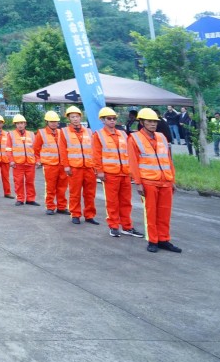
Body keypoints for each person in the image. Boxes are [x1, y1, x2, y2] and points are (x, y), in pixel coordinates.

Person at [127, 108, 181, 252]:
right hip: (148, 181)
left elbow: (168, 160)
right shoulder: (134, 138)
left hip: (165, 181)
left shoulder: (162, 137)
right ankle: (153, 240)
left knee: (165, 212)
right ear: (142, 122)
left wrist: (172, 180)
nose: (153, 124)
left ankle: (164, 239)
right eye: (150, 121)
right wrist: (138, 183)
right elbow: (133, 162)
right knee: (151, 212)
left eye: (155, 121)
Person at [92, 107, 143, 239]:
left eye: (114, 118)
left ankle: (127, 226)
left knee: (126, 202)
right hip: (110, 174)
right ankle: (114, 226)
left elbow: (129, 154)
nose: (112, 121)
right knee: (112, 202)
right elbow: (96, 155)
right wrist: (99, 171)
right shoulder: (98, 135)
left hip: (124, 173)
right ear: (103, 120)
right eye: (109, 118)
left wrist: (131, 171)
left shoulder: (123, 134)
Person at [59, 105, 97, 225]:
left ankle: (89, 215)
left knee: (90, 193)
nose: (75, 119)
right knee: (74, 193)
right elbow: (62, 150)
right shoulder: (64, 132)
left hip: (89, 167)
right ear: (69, 119)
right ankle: (75, 214)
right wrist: (66, 166)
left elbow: (94, 149)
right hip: (75, 168)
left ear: (81, 117)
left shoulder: (89, 131)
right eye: (72, 117)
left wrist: (95, 166)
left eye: (77, 116)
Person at [35, 111, 68, 215]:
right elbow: (36, 149)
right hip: (50, 165)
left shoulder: (62, 132)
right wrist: (38, 160)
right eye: (51, 121)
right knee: (50, 187)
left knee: (62, 187)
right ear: (47, 122)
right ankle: (50, 207)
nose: (54, 123)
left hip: (62, 164)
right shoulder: (41, 133)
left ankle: (61, 207)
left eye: (55, 121)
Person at [8, 115, 38, 206]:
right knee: (19, 182)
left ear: (25, 124)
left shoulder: (31, 134)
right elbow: (8, 149)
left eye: (21, 123)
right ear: (15, 124)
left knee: (30, 182)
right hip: (18, 163)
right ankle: (20, 199)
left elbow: (36, 149)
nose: (20, 125)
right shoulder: (11, 134)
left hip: (30, 163)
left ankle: (30, 199)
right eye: (18, 123)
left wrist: (37, 160)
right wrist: (11, 160)